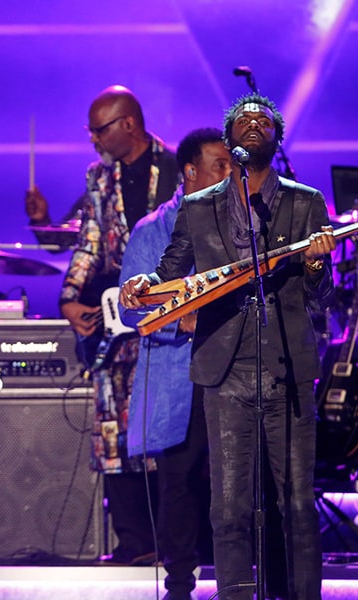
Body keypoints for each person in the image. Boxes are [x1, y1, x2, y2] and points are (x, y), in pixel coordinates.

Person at [121, 92, 336, 599]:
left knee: (298, 504)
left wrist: (315, 263)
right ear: (230, 137)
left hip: (288, 367)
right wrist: (141, 286)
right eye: (244, 120)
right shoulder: (198, 208)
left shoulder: (305, 202)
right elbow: (170, 274)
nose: (254, 125)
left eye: (264, 121)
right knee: (229, 506)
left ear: (277, 138)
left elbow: (320, 296)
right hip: (224, 371)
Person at [59, 84, 180, 564]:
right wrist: (69, 298)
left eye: (99, 129)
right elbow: (89, 242)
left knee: (160, 427)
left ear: (128, 123)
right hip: (113, 317)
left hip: (165, 314)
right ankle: (132, 542)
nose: (93, 140)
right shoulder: (98, 177)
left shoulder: (176, 168)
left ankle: (173, 540)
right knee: (113, 428)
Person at [120, 127, 230, 599]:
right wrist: (178, 319)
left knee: (232, 484)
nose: (230, 173)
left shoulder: (240, 226)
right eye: (220, 164)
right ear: (190, 171)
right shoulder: (151, 231)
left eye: (233, 165)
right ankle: (180, 586)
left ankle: (238, 583)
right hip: (177, 378)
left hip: (230, 373)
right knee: (179, 484)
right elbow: (129, 307)